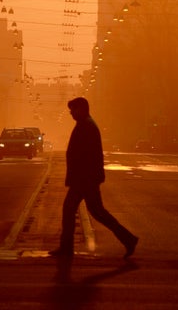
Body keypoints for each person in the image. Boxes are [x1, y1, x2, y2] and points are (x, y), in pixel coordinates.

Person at [49, 96, 138, 259]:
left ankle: (66, 248)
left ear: (81, 109)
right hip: (85, 178)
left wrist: (83, 177)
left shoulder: (87, 126)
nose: (70, 113)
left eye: (73, 109)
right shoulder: (85, 124)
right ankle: (128, 239)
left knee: (75, 210)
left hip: (84, 179)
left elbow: (87, 155)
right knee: (97, 212)